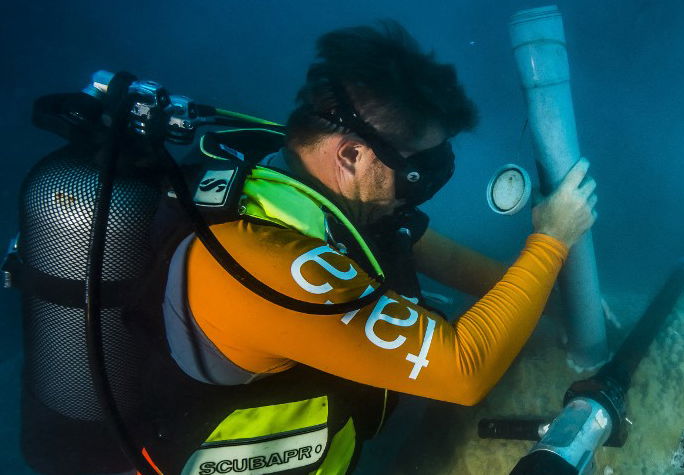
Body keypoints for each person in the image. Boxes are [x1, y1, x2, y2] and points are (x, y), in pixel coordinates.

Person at [133, 21, 597, 474]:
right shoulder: (260, 263)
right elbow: (463, 370)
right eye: (418, 170)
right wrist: (551, 239)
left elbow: (439, 257)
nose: (420, 188)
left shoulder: (298, 175)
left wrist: (566, 304)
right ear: (351, 155)